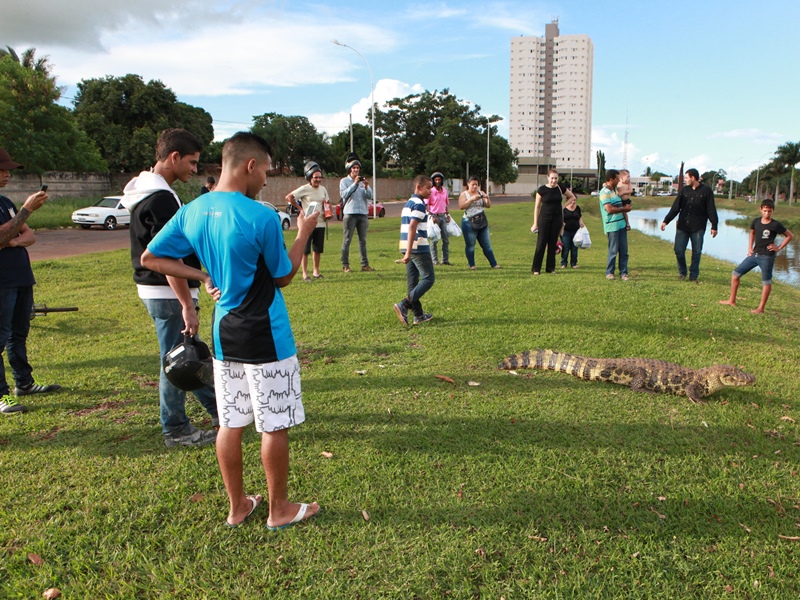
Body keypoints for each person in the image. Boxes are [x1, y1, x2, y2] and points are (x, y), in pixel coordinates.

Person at [141, 131, 321, 530]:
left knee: (230, 423)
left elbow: (151, 256)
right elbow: (284, 277)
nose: (265, 180)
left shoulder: (192, 209)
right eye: (266, 171)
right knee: (274, 425)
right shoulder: (260, 215)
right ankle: (278, 510)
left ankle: (238, 506)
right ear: (250, 166)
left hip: (225, 335)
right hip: (266, 335)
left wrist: (200, 274)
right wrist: (304, 234)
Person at [123, 128, 218, 448]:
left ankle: (220, 410)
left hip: (160, 292)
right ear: (174, 157)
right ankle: (176, 429)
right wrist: (187, 304)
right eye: (191, 162)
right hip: (167, 293)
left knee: (191, 354)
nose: (194, 169)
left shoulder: (149, 190)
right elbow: (165, 256)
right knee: (176, 360)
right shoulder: (160, 197)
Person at [0, 148, 59, 415]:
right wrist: (25, 210)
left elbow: (29, 236)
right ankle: (2, 396)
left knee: (18, 334)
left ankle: (23, 383)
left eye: (8, 169)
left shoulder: (4, 202)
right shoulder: (16, 205)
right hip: (2, 282)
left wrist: (11, 238)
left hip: (21, 277)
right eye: (2, 170)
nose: (7, 174)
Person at [720, 199, 793, 314]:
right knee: (735, 274)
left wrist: (778, 248)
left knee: (766, 282)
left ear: (773, 211)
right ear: (760, 209)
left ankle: (761, 308)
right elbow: (752, 232)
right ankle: (732, 300)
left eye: (769, 211)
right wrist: (749, 247)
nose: (767, 213)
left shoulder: (775, 224)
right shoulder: (756, 221)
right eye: (765, 211)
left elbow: (789, 235)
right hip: (754, 255)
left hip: (767, 257)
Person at [660, 168, 718, 282]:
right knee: (678, 250)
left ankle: (693, 276)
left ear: (693, 178)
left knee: (696, 251)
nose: (685, 180)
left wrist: (714, 226)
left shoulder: (706, 191)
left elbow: (711, 209)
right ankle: (682, 272)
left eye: (686, 177)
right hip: (683, 226)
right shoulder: (684, 190)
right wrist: (666, 221)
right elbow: (675, 208)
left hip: (698, 227)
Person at [394, 175, 435, 326]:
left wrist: (406, 250)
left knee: (412, 283)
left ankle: (418, 315)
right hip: (417, 246)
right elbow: (412, 226)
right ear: (419, 187)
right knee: (428, 279)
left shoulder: (408, 203)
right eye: (428, 187)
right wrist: (409, 252)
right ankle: (404, 304)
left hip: (406, 245)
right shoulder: (419, 204)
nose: (431, 190)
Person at [286, 161, 330, 281]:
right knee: (305, 250)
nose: (318, 179)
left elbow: (327, 202)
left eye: (320, 177)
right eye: (316, 177)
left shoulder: (323, 189)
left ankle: (316, 271)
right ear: (310, 177)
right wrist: (300, 209)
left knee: (317, 249)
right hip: (307, 224)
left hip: (320, 223)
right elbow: (289, 197)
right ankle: (305, 274)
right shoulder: (305, 189)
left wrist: (327, 213)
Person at [531, 169, 576, 274]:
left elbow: (571, 197)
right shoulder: (542, 189)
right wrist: (535, 223)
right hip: (544, 219)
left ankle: (550, 268)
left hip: (557, 219)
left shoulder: (560, 188)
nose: (554, 180)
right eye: (552, 178)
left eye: (556, 178)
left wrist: (563, 206)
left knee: (552, 244)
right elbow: (537, 207)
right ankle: (536, 269)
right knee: (541, 244)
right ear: (548, 178)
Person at [339, 153, 375, 272]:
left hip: (363, 213)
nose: (356, 170)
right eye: (354, 168)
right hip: (350, 213)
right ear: (350, 169)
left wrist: (366, 187)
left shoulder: (362, 181)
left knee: (363, 240)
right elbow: (344, 195)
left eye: (358, 168)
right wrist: (354, 184)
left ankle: (364, 265)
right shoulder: (344, 181)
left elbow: (370, 197)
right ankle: (345, 265)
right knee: (347, 240)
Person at [459, 176, 499, 270]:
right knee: (470, 245)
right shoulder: (464, 194)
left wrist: (486, 198)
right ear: (468, 184)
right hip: (469, 222)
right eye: (473, 184)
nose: (474, 186)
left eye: (476, 184)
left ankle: (494, 264)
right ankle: (472, 265)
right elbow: (461, 206)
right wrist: (471, 199)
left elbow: (488, 205)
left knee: (487, 245)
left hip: (481, 221)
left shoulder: (481, 192)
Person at [599, 169, 632, 280]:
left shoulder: (616, 191)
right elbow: (609, 209)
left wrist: (627, 221)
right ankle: (610, 272)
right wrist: (624, 209)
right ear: (611, 179)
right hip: (611, 226)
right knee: (613, 250)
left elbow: (623, 201)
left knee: (624, 250)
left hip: (621, 225)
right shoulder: (604, 193)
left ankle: (624, 273)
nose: (619, 181)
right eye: (617, 179)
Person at [425, 171, 451, 265]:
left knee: (446, 240)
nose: (437, 181)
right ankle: (434, 260)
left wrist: (448, 215)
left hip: (443, 216)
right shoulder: (431, 191)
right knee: (434, 240)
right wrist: (431, 216)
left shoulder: (444, 191)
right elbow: (427, 205)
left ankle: (445, 260)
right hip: (434, 217)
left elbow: (446, 204)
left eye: (439, 179)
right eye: (435, 180)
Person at [560, 194, 585, 269]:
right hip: (565, 231)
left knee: (574, 248)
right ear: (567, 200)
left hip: (576, 232)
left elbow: (580, 216)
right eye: (572, 200)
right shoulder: (563, 209)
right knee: (566, 247)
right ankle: (564, 263)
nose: (573, 202)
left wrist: (581, 222)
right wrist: (562, 224)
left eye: (575, 200)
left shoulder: (577, 208)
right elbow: (559, 218)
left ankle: (573, 263)